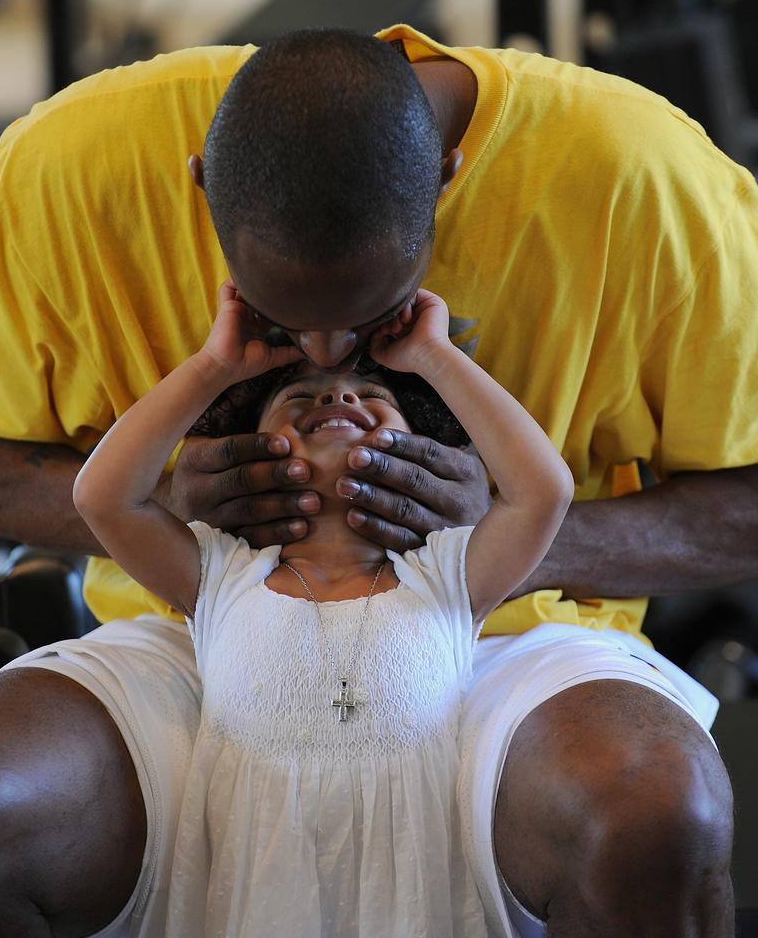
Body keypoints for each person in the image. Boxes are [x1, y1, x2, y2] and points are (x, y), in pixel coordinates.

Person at [0, 24, 753, 936]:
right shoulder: (64, 169)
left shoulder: (648, 180)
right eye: (280, 319)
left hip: (514, 642)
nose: (323, 354)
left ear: (447, 174)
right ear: (199, 185)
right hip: (189, 647)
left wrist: (499, 538)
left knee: (660, 814)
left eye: (371, 314)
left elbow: (656, 499)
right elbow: (84, 494)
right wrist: (171, 500)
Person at [72, 280, 574, 936]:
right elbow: (102, 498)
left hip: (415, 901)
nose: (339, 397)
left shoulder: (450, 575)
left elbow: (544, 491)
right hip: (254, 896)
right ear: (252, 446)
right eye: (299, 398)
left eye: (374, 399)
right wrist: (214, 366)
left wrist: (435, 356)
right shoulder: (220, 576)